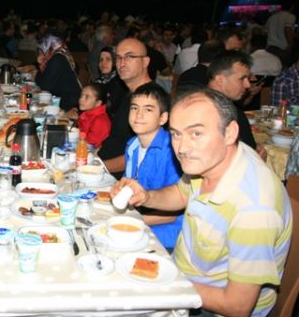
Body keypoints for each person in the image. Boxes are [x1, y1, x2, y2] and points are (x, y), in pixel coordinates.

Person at [112, 87, 292, 316]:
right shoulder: (213, 158)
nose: (182, 148)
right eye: (176, 134)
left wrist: (167, 284)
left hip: (209, 306)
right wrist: (147, 196)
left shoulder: (254, 208)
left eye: (196, 133)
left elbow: (237, 306)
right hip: (182, 273)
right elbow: (181, 194)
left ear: (230, 132)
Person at [123, 82, 182, 250]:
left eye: (148, 110)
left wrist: (129, 221)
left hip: (165, 236)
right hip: (141, 220)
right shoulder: (132, 145)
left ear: (163, 118)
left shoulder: (173, 152)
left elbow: (171, 215)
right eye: (134, 108)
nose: (139, 115)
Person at [98, 38, 152, 178]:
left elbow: (142, 154)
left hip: (118, 178)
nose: (122, 63)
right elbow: (117, 138)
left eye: (129, 56)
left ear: (145, 62)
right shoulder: (130, 94)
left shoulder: (150, 99)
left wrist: (98, 167)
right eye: (118, 58)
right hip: (103, 166)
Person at [207, 52, 258, 150]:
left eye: (248, 79)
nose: (248, 85)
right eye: (242, 79)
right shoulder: (221, 113)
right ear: (220, 80)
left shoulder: (195, 104)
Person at [34, 34, 82, 111]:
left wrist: (41, 64)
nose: (41, 52)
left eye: (41, 50)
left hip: (67, 103)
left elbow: (44, 85)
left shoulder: (57, 59)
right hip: (65, 98)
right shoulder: (61, 54)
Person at [67, 83, 111, 149]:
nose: (81, 99)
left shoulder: (100, 121)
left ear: (98, 103)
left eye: (86, 97)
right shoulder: (87, 113)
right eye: (81, 95)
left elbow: (90, 145)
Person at [265, 0, 295, 67]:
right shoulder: (290, 16)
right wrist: (290, 44)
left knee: (273, 68)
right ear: (292, 7)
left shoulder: (272, 17)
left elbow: (266, 32)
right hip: (283, 48)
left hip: (270, 48)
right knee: (284, 68)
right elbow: (287, 29)